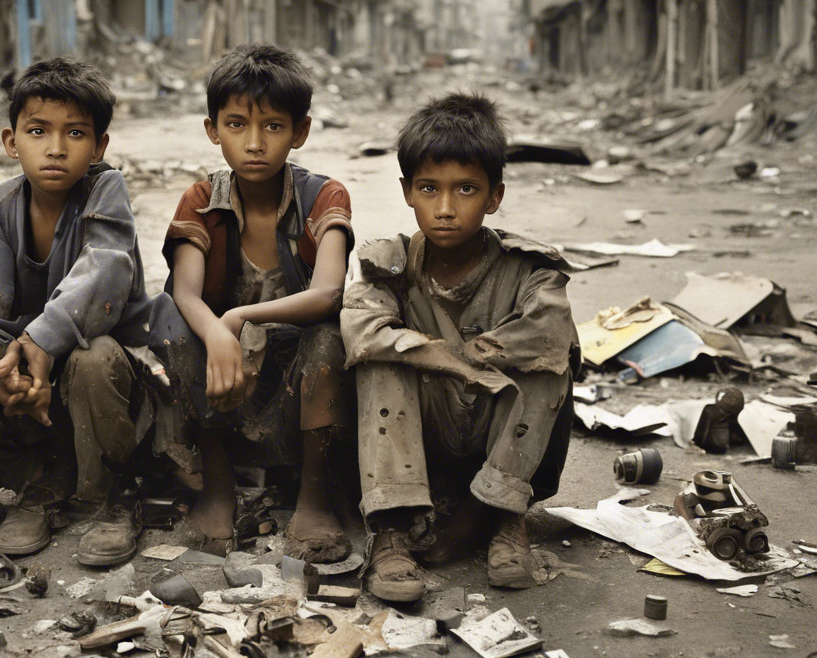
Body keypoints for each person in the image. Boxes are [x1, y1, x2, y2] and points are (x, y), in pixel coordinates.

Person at [340, 93, 578, 602]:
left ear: (495, 196)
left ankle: (504, 519)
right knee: (380, 358)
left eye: (466, 189)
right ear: (407, 191)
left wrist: (474, 363)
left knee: (549, 361)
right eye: (429, 188)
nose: (445, 208)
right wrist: (448, 361)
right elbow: (362, 330)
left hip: (501, 433)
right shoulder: (388, 263)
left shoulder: (531, 269)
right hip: (420, 436)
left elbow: (548, 334)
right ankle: (392, 530)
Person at [0, 56, 154, 568]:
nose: (56, 148)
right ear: (12, 142)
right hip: (31, 378)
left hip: (109, 382)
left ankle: (111, 494)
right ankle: (41, 482)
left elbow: (107, 271)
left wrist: (40, 345)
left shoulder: (105, 191)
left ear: (98, 147)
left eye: (76, 133)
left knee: (94, 356)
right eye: (38, 131)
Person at [150, 43, 355, 563]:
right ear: (213, 130)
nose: (255, 143)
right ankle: (218, 487)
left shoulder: (323, 196)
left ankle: (313, 496)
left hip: (300, 395)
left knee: (331, 335)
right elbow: (184, 292)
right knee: (173, 320)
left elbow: (329, 293)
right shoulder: (201, 199)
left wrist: (239, 317)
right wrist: (218, 332)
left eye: (273, 127)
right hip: (222, 386)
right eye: (237, 125)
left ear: (300, 132)